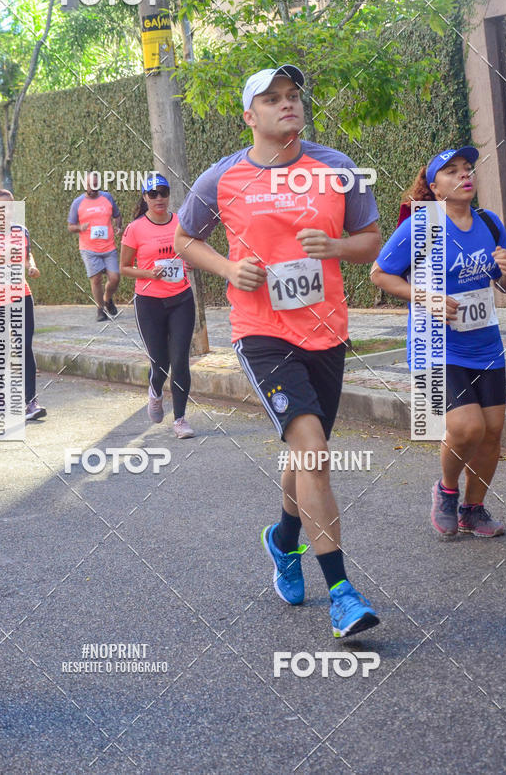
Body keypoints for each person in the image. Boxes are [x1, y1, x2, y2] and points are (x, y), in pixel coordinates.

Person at [174, 65, 382, 638]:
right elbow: (184, 239)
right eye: (271, 99)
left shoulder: (337, 169)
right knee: (312, 450)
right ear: (250, 116)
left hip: (327, 331)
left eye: (293, 96)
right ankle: (341, 591)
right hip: (261, 334)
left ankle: (283, 539)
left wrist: (338, 245)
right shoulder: (223, 178)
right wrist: (227, 268)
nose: (286, 105)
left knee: (304, 450)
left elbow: (372, 241)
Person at [371, 147, 506, 537]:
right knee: (467, 427)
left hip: (485, 343)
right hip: (435, 344)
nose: (464, 175)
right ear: (435, 188)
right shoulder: (422, 226)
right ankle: (446, 491)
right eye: (451, 171)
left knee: (491, 433)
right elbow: (380, 275)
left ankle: (474, 509)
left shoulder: (489, 222)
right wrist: (428, 297)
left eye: (467, 169)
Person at [121, 174, 196, 438]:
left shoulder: (181, 222)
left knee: (180, 360)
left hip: (181, 299)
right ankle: (155, 392)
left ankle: (180, 420)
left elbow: (196, 253)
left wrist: (191, 262)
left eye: (163, 193)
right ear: (145, 198)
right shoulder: (135, 228)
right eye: (153, 194)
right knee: (160, 363)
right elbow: (124, 268)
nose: (159, 199)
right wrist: (148, 274)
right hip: (149, 302)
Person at [0, 189, 47, 421]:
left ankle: (30, 402)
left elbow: (26, 255)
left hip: (21, 294)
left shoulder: (21, 230)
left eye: (11, 205)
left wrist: (31, 266)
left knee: (24, 348)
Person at [67, 172, 122, 321]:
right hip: (89, 248)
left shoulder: (107, 197)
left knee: (115, 278)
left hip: (109, 247)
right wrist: (80, 227)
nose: (93, 189)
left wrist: (118, 227)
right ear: (85, 185)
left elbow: (117, 215)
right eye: (91, 186)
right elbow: (70, 226)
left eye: (96, 185)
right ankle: (100, 309)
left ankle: (107, 298)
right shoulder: (77, 203)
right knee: (96, 279)